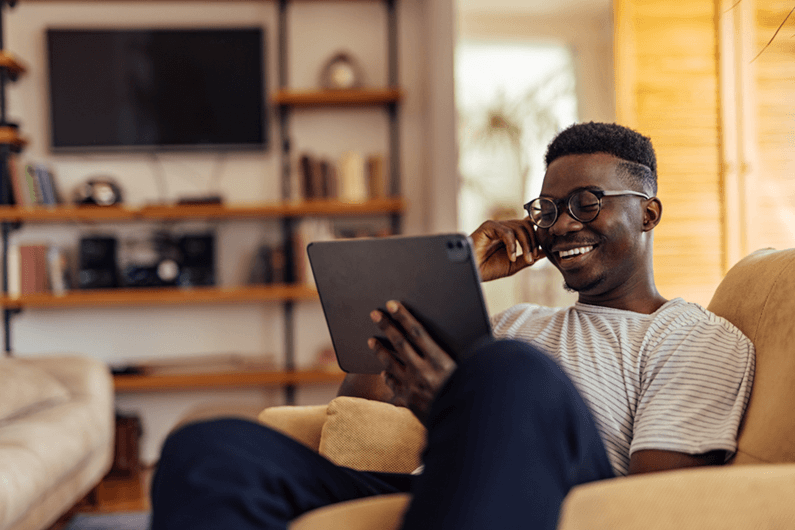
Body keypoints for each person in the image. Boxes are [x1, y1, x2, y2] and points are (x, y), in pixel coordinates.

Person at [150, 122, 754, 530]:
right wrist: (457, 277)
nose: (562, 225)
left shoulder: (695, 337)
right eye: (547, 210)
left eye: (587, 203)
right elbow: (359, 400)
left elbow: (652, 508)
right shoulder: (517, 321)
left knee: (510, 370)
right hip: (436, 493)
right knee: (209, 450)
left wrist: (469, 398)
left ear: (648, 212)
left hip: (553, 503)